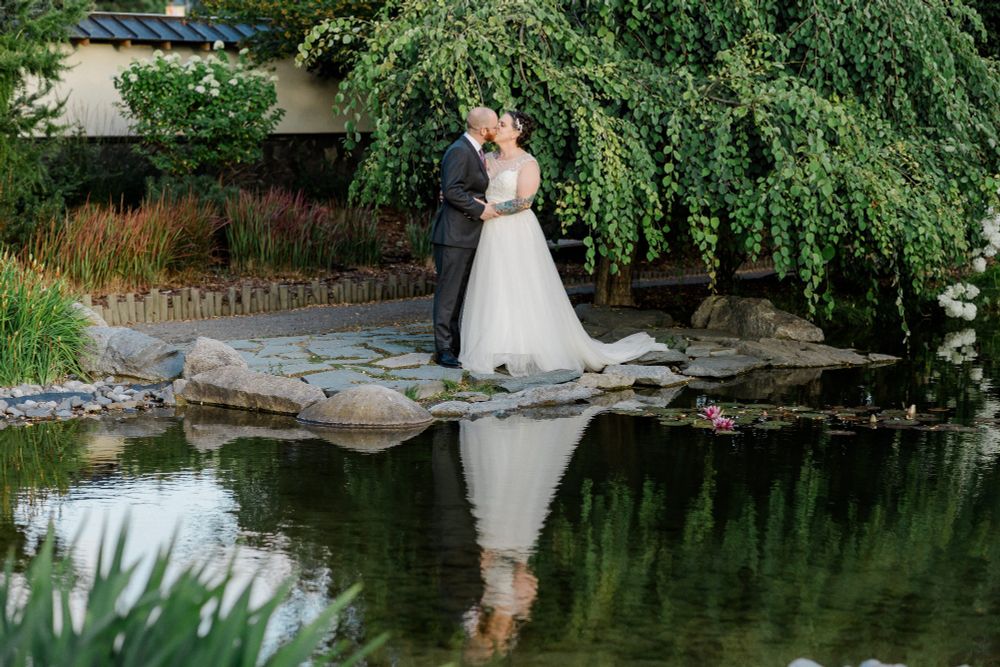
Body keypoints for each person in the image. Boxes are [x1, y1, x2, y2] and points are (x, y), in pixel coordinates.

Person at [458, 110, 668, 376]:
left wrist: (490, 209)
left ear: (517, 132)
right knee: (493, 284)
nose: (496, 127)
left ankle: (525, 345)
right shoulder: (485, 159)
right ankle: (495, 344)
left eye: (502, 124)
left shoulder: (527, 163)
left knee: (521, 284)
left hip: (515, 229)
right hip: (489, 231)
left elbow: (525, 202)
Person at [430, 107, 500, 369]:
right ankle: (444, 349)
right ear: (484, 130)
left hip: (466, 234)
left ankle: (455, 344)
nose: (496, 130)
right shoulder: (459, 151)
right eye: (494, 126)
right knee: (449, 294)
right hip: (453, 235)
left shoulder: (476, 151)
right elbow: (452, 190)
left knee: (460, 293)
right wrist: (481, 209)